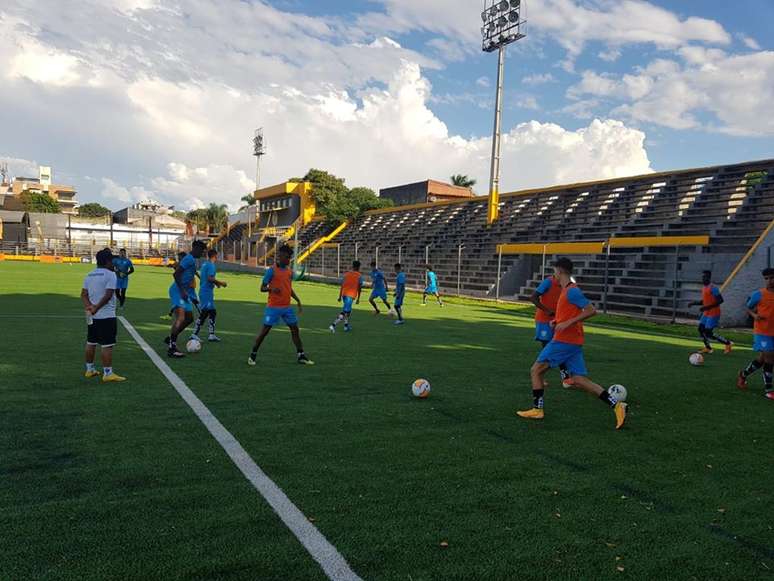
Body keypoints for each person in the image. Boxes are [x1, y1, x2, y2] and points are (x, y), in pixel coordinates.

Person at [517, 258, 627, 430]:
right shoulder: (567, 290)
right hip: (572, 341)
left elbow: (591, 310)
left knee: (535, 370)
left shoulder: (572, 291)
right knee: (578, 379)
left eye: (555, 271)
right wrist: (557, 321)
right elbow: (569, 314)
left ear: (559, 272)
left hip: (564, 341)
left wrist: (567, 324)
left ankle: (537, 410)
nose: (554, 274)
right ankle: (617, 405)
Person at [248, 244, 313, 366]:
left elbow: (288, 288)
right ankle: (253, 355)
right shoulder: (271, 271)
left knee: (295, 329)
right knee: (264, 332)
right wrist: (271, 289)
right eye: (287, 257)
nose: (289, 260)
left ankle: (301, 355)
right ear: (281, 256)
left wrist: (297, 299)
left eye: (290, 258)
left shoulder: (289, 272)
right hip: (273, 307)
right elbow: (262, 288)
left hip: (287, 307)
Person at [81, 248, 126, 382]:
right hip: (106, 316)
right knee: (107, 345)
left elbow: (83, 294)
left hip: (92, 315)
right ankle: (108, 373)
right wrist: (96, 307)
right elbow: (108, 295)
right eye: (112, 260)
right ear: (107, 261)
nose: (114, 262)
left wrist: (89, 307)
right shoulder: (110, 275)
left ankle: (89, 370)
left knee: (91, 342)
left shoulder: (89, 275)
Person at [737, 267, 774, 399]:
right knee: (770, 357)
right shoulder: (759, 294)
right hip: (762, 332)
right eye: (767, 279)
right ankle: (769, 390)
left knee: (762, 359)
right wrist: (754, 315)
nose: (770, 281)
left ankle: (743, 374)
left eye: (772, 278)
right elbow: (747, 307)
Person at [165, 240, 206, 358]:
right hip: (178, 291)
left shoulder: (192, 260)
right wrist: (182, 291)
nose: (202, 253)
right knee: (181, 317)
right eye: (202, 251)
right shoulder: (188, 259)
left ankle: (171, 338)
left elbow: (190, 274)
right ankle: (172, 348)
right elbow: (176, 274)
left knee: (189, 318)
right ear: (196, 248)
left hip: (184, 292)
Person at [530, 274, 571, 387]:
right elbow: (533, 297)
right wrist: (546, 310)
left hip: (557, 321)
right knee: (547, 350)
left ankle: (566, 378)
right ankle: (539, 376)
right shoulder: (548, 282)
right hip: (544, 321)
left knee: (560, 347)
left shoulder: (568, 284)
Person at [688, 270, 733, 354]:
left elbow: (720, 300)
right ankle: (708, 348)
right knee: (701, 329)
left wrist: (706, 307)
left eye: (704, 277)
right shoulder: (704, 288)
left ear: (709, 278)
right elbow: (705, 301)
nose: (703, 279)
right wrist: (693, 303)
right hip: (706, 313)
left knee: (708, 332)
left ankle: (728, 343)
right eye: (702, 277)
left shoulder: (713, 288)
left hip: (714, 313)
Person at [191, 249, 227, 342]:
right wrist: (221, 283)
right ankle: (194, 334)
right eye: (217, 255)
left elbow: (206, 278)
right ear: (215, 255)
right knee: (205, 313)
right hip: (206, 292)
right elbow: (210, 278)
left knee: (212, 312)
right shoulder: (211, 265)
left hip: (205, 291)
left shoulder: (205, 264)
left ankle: (211, 335)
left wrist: (216, 284)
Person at [330, 261, 363, 333]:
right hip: (350, 295)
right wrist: (358, 298)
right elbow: (359, 288)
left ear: (353, 266)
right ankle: (333, 325)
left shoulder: (347, 274)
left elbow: (342, 285)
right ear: (358, 267)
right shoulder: (359, 276)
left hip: (344, 294)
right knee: (345, 312)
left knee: (349, 311)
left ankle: (346, 326)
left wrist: (339, 296)